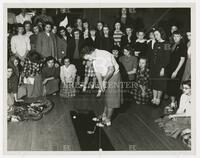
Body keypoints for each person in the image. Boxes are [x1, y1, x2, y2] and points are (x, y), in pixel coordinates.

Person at [81, 46, 122, 127]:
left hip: (113, 76)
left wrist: (104, 81)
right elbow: (97, 73)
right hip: (105, 76)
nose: (89, 60)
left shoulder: (104, 54)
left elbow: (111, 70)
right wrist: (100, 84)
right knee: (107, 98)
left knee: (111, 99)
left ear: (91, 53)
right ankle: (104, 115)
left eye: (88, 58)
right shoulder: (93, 58)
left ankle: (107, 120)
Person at [149, 28, 170, 106]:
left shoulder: (167, 44)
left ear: (161, 34)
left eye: (157, 34)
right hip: (154, 67)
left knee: (160, 84)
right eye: (154, 35)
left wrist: (163, 68)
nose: (155, 36)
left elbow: (168, 58)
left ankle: (158, 99)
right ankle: (154, 98)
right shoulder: (155, 44)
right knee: (154, 82)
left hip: (162, 67)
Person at [166, 31, 187, 108]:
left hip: (176, 69)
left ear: (181, 37)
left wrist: (176, 71)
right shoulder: (171, 44)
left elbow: (182, 59)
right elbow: (165, 52)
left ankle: (173, 103)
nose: (175, 38)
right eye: (174, 36)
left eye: (177, 36)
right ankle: (173, 102)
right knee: (170, 85)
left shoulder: (183, 46)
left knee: (173, 86)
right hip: (170, 68)